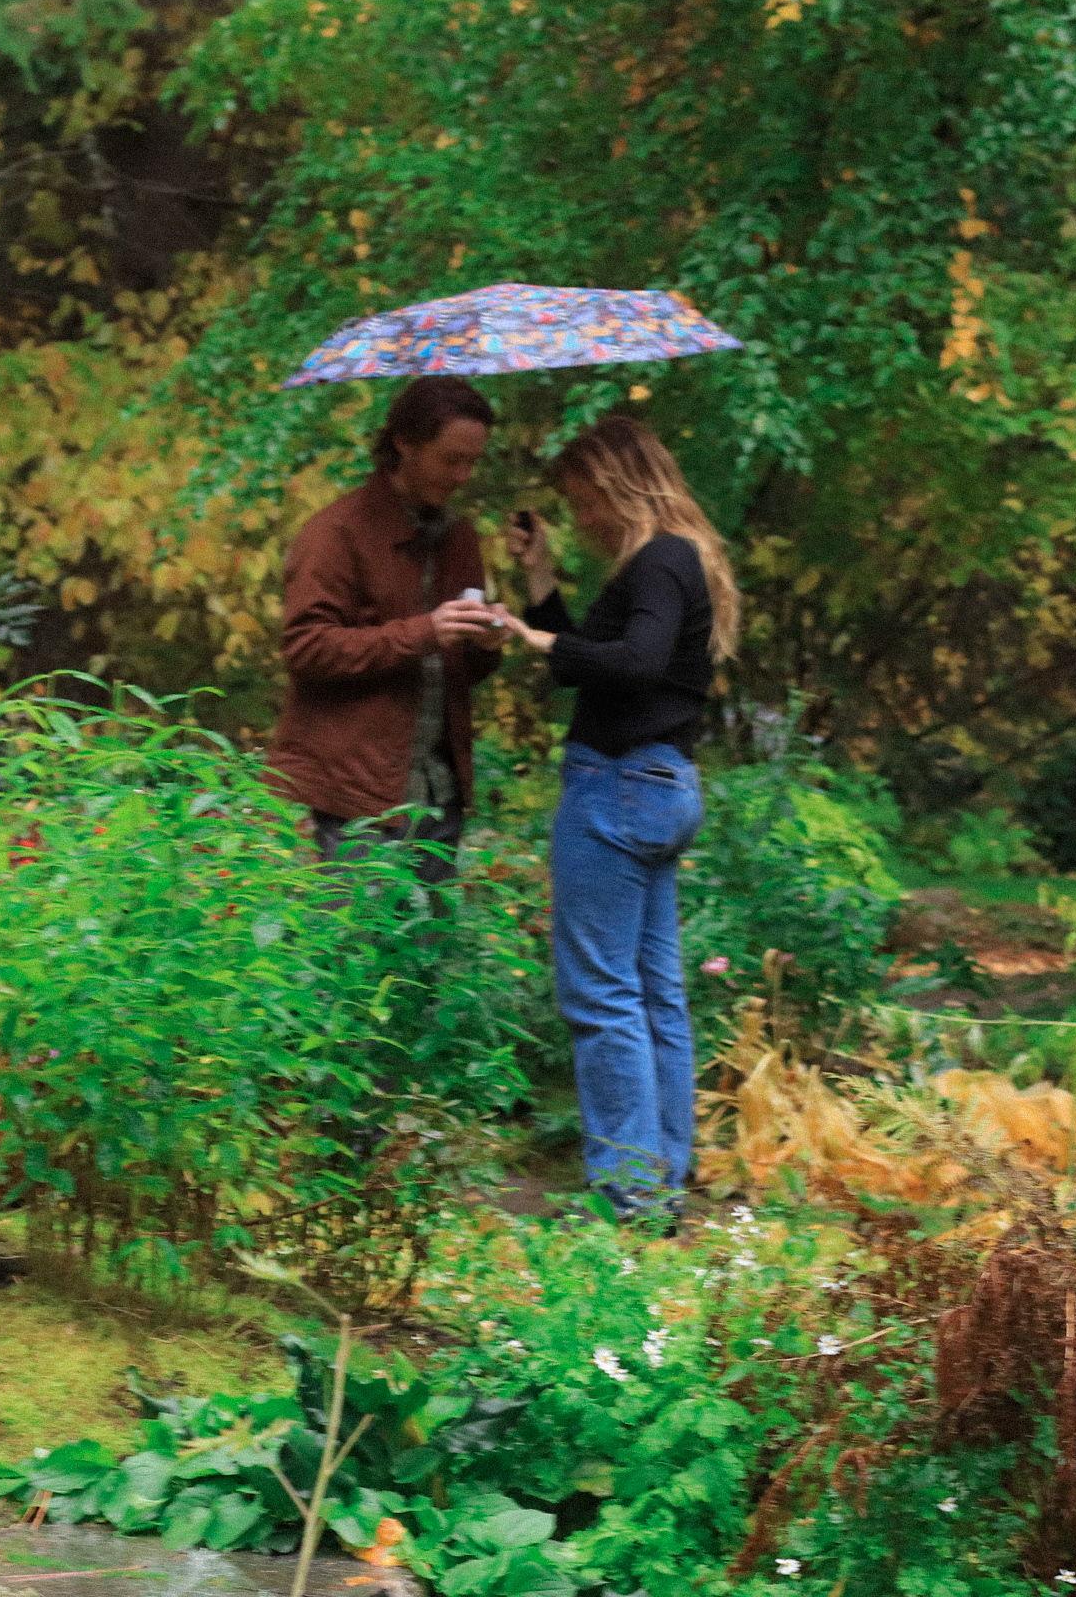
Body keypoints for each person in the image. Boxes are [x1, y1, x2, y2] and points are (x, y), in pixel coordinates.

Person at [497, 415, 741, 1216]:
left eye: (584, 503)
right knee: (650, 992)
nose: (584, 521)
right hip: (657, 785)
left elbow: (630, 664)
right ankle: (658, 1179)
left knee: (601, 996)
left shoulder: (663, 559)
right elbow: (598, 670)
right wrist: (541, 577)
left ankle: (631, 1195)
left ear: (616, 485)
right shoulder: (666, 562)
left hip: (618, 787)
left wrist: (528, 638)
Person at [269, 376, 506, 884]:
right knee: (356, 954)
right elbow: (306, 648)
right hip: (359, 795)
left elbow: (456, 671)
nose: (464, 476)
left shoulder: (460, 538)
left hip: (439, 791)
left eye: (474, 461)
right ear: (405, 444)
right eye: (451, 459)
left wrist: (485, 644)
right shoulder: (335, 534)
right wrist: (423, 631)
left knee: (426, 959)